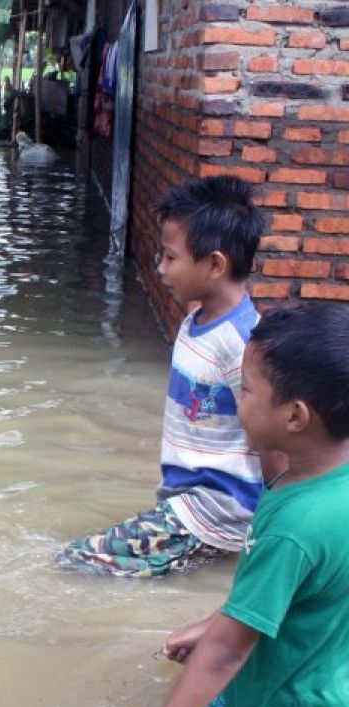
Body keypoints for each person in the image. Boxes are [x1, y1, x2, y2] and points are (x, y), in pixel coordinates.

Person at [154, 303, 349, 707]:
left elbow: (227, 652)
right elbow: (306, 591)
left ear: (296, 417)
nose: (236, 399)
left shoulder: (293, 527)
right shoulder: (329, 485)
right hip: (331, 702)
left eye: (245, 389)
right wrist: (214, 622)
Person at [58, 176, 279, 577]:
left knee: (75, 563)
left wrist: (273, 526)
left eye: (170, 257)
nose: (160, 269)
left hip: (214, 510)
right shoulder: (196, 322)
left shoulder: (243, 344)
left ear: (214, 264)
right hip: (186, 505)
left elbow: (275, 441)